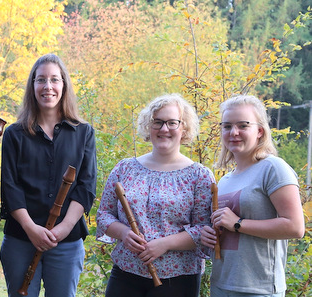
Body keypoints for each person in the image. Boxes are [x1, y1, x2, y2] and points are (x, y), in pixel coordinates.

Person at [96, 94, 215, 297]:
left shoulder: (200, 175)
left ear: (184, 128)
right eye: (157, 122)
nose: (164, 129)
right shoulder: (125, 169)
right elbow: (104, 215)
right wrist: (124, 234)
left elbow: (205, 230)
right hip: (126, 272)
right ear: (148, 127)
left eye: (172, 123)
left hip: (178, 277)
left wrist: (164, 244)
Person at [0, 53, 97, 297]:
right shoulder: (14, 134)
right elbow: (10, 187)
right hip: (21, 239)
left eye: (54, 79)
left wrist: (63, 228)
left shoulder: (84, 133)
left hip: (66, 241)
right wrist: (31, 228)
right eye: (41, 80)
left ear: (64, 85)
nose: (48, 87)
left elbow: (85, 186)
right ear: (32, 86)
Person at [200, 94, 305, 297]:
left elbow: (295, 227)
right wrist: (211, 235)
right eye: (227, 126)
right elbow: (227, 227)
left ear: (259, 131)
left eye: (243, 125)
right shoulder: (225, 180)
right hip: (222, 284)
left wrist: (238, 223)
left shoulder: (273, 168)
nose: (234, 132)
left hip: (259, 289)